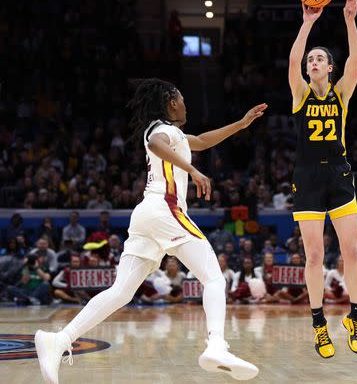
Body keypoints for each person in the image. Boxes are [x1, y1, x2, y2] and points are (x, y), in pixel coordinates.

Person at [35, 78, 267, 382]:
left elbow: (201, 140)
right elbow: (157, 145)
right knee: (212, 276)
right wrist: (194, 170)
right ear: (171, 101)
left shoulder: (176, 134)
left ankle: (59, 339)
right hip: (164, 207)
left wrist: (241, 124)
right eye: (182, 98)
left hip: (147, 214)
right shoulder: (159, 130)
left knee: (121, 292)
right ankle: (216, 346)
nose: (186, 103)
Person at [288, 0, 357, 358]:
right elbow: (292, 59)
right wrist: (307, 24)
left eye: (320, 58)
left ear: (330, 68)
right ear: (307, 69)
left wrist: (350, 22)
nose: (314, 61)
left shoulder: (342, 93)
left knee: (350, 250)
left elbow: (356, 58)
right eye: (311, 59)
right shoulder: (301, 94)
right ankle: (319, 324)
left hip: (339, 174)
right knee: (315, 256)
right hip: (306, 178)